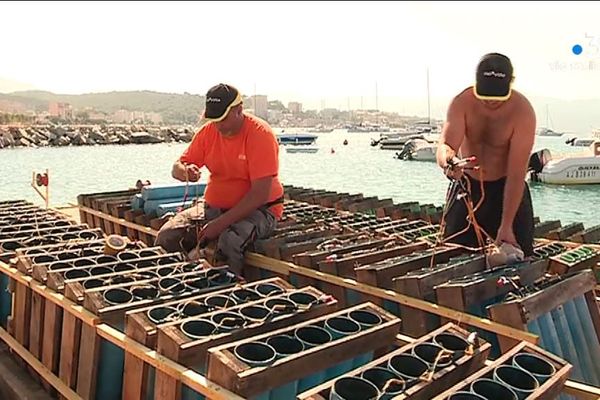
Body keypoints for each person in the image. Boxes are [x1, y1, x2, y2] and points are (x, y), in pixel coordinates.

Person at [155, 83, 284, 275]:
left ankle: (227, 289)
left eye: (222, 119)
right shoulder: (209, 132)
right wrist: (184, 171)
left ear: (238, 110)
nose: (217, 125)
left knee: (228, 242)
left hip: (260, 210)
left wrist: (220, 224)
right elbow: (177, 167)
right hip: (214, 208)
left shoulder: (260, 134)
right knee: (167, 236)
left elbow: (259, 194)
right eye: (213, 119)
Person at [436, 53, 536, 258]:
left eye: (497, 95)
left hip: (507, 187)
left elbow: (517, 174)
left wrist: (506, 224)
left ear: (511, 83)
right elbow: (446, 145)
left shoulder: (522, 111)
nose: (491, 101)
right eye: (486, 94)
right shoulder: (461, 102)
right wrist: (449, 162)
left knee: (517, 258)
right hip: (468, 186)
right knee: (450, 256)